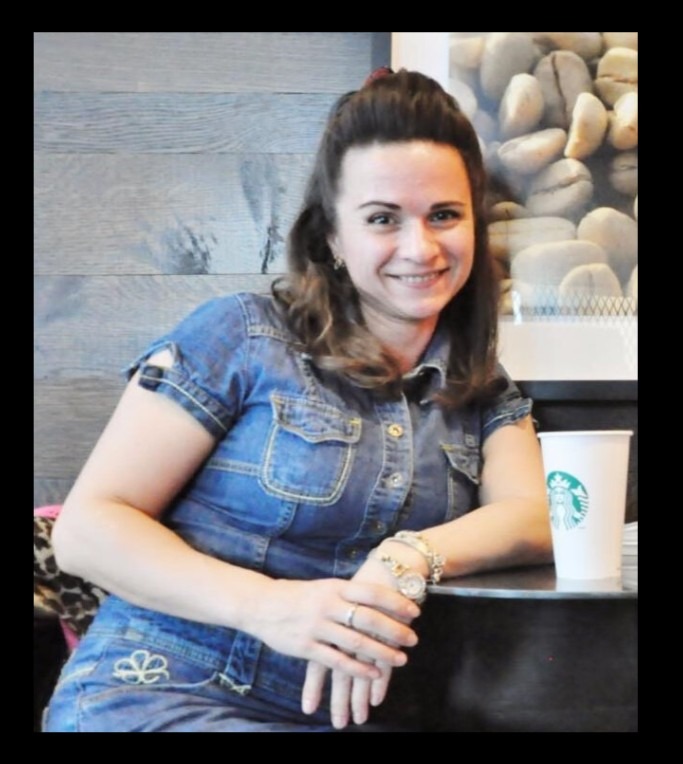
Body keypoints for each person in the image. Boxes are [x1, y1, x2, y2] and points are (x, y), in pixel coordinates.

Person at [43, 68, 552, 733]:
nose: (419, 247)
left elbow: (534, 517)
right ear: (333, 238)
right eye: (382, 219)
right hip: (163, 689)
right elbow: (86, 531)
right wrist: (267, 606)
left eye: (444, 215)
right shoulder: (242, 336)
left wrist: (406, 555)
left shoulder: (480, 385)